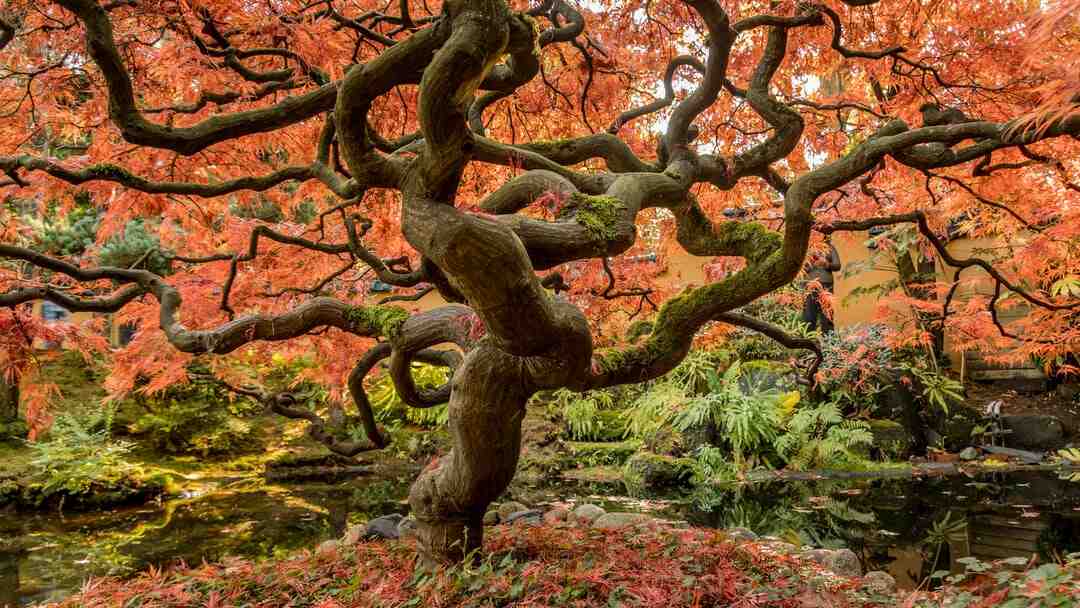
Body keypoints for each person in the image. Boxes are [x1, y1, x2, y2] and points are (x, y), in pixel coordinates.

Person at [802, 238, 841, 333]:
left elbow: (837, 265)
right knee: (809, 315)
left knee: (827, 314)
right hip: (810, 285)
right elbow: (799, 266)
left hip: (826, 284)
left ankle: (829, 341)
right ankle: (807, 341)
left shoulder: (830, 247)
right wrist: (810, 262)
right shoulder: (806, 247)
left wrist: (827, 264)